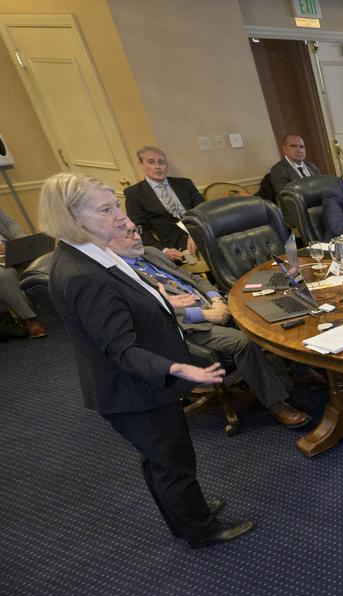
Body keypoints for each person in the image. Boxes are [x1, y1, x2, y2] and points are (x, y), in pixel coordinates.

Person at [41, 173, 254, 547]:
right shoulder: (83, 275)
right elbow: (120, 349)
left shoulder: (91, 251)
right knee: (173, 463)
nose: (120, 217)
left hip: (138, 383)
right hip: (134, 390)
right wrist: (176, 367)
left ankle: (185, 514)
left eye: (116, 206)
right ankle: (200, 530)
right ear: (73, 218)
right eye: (106, 210)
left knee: (160, 459)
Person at [107, 225, 311, 428]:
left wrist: (216, 300)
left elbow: (192, 278)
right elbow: (153, 313)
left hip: (213, 306)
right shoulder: (120, 277)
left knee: (267, 314)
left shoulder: (150, 253)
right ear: (108, 242)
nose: (137, 237)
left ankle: (302, 370)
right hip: (188, 327)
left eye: (136, 231)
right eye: (128, 234)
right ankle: (277, 405)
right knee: (243, 342)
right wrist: (205, 314)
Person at [123, 146, 203, 262]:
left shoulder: (185, 184)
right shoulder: (134, 194)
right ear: (141, 164)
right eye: (151, 162)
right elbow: (140, 230)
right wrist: (163, 250)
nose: (158, 167)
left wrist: (195, 235)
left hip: (201, 233)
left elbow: (203, 210)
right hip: (174, 246)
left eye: (161, 162)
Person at [0, 206, 46, 339]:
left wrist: (21, 240)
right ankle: (29, 319)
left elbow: (10, 223)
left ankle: (64, 303)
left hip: (9, 248)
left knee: (45, 257)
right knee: (5, 274)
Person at [265, 134, 322, 202]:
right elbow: (286, 195)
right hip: (300, 204)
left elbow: (322, 186)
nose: (299, 150)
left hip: (320, 201)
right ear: (284, 149)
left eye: (302, 147)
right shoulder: (278, 170)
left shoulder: (312, 166)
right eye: (293, 146)